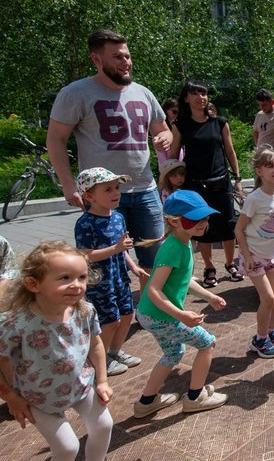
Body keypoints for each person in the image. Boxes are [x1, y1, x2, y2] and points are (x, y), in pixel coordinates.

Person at [0, 242, 127, 461]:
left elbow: (95, 345)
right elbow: (2, 359)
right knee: (67, 446)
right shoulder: (16, 323)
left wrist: (102, 380)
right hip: (39, 398)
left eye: (81, 277)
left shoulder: (84, 310)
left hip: (81, 386)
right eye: (65, 278)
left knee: (104, 424)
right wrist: (11, 396)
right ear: (33, 284)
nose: (77, 285)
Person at [47, 29, 171, 269]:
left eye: (127, 56)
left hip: (146, 191)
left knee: (157, 261)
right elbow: (55, 139)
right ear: (97, 59)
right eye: (117, 57)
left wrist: (164, 138)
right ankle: (110, 308)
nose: (126, 63)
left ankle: (150, 306)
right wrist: (68, 183)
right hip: (102, 195)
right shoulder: (75, 93)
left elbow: (164, 130)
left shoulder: (143, 92)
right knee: (106, 264)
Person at [133, 190, 228, 417]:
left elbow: (183, 282)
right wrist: (180, 315)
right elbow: (154, 290)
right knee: (207, 344)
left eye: (205, 218)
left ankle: (146, 402)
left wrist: (209, 296)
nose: (203, 223)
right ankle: (195, 397)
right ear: (174, 221)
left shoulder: (183, 242)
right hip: (161, 315)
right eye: (195, 218)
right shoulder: (174, 247)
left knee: (173, 353)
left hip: (151, 314)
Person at [74, 167, 148, 377]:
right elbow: (85, 255)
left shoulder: (117, 218)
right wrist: (115, 249)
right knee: (109, 321)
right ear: (89, 196)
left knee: (127, 314)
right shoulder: (85, 223)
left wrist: (133, 266)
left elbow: (121, 248)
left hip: (119, 277)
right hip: (100, 282)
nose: (116, 193)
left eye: (116, 188)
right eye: (108, 189)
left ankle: (115, 352)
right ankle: (101, 358)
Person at [168, 80, 243, 287]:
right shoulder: (181, 125)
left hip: (221, 182)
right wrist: (172, 181)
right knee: (202, 227)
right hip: (195, 185)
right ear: (186, 98)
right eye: (196, 94)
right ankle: (209, 267)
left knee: (228, 225)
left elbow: (230, 151)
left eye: (204, 94)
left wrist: (237, 178)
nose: (201, 98)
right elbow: (173, 156)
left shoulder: (219, 122)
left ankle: (230, 263)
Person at [235, 148, 274, 359]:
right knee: (268, 298)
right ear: (259, 171)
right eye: (270, 166)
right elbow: (239, 230)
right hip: (254, 256)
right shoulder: (254, 199)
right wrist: (248, 257)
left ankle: (270, 331)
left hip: (273, 255)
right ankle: (259, 340)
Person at [156, 98, 184, 165]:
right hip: (167, 168)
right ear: (165, 111)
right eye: (174, 112)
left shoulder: (181, 127)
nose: (177, 116)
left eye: (179, 113)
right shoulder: (160, 130)